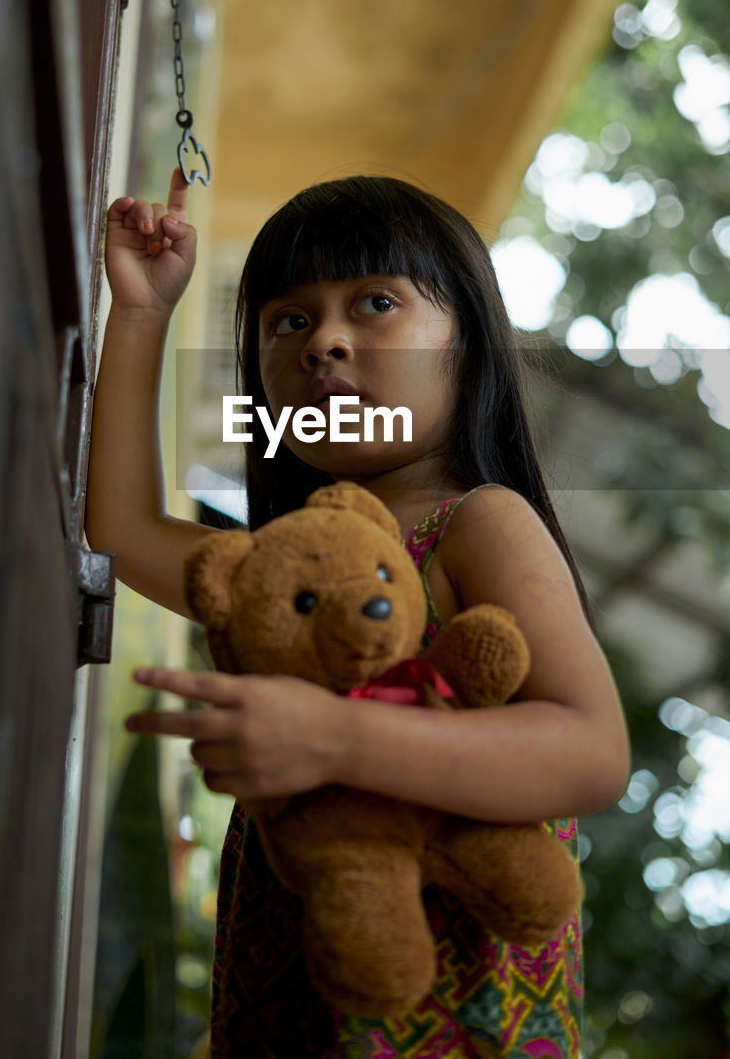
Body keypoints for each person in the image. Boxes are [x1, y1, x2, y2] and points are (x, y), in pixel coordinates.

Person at [85, 168, 630, 1059]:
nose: (323, 343)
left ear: (468, 343)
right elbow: (118, 528)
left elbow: (591, 753)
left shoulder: (478, 522)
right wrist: (142, 314)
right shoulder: (280, 569)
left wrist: (334, 738)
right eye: (287, 321)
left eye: (373, 302)